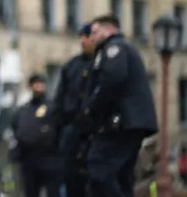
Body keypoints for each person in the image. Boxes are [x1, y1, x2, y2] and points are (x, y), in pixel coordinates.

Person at [78, 14, 158, 197]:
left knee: (98, 168)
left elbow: (113, 79)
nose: (91, 37)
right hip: (130, 122)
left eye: (95, 32)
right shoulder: (123, 49)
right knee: (122, 176)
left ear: (109, 30)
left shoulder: (114, 48)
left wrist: (92, 107)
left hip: (121, 122)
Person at [51, 22, 95, 197]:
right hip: (72, 131)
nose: (83, 41)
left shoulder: (103, 63)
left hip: (93, 131)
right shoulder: (72, 66)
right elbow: (59, 99)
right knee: (72, 181)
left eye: (87, 37)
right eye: (81, 37)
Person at [11, 74, 62, 197]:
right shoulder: (23, 110)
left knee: (53, 192)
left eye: (40, 83)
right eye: (35, 83)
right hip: (29, 159)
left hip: (50, 158)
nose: (38, 86)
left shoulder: (53, 107)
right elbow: (18, 128)